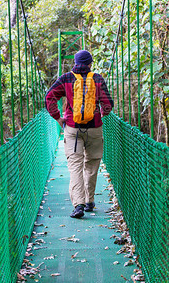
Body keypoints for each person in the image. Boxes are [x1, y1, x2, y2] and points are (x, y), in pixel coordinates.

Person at [45, 50, 114, 218]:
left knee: (75, 167)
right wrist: (102, 113)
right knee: (91, 165)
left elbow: (49, 97)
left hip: (73, 129)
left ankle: (79, 205)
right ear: (90, 63)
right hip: (95, 128)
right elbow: (108, 103)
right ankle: (90, 201)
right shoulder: (97, 78)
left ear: (74, 63)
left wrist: (58, 118)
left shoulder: (66, 78)